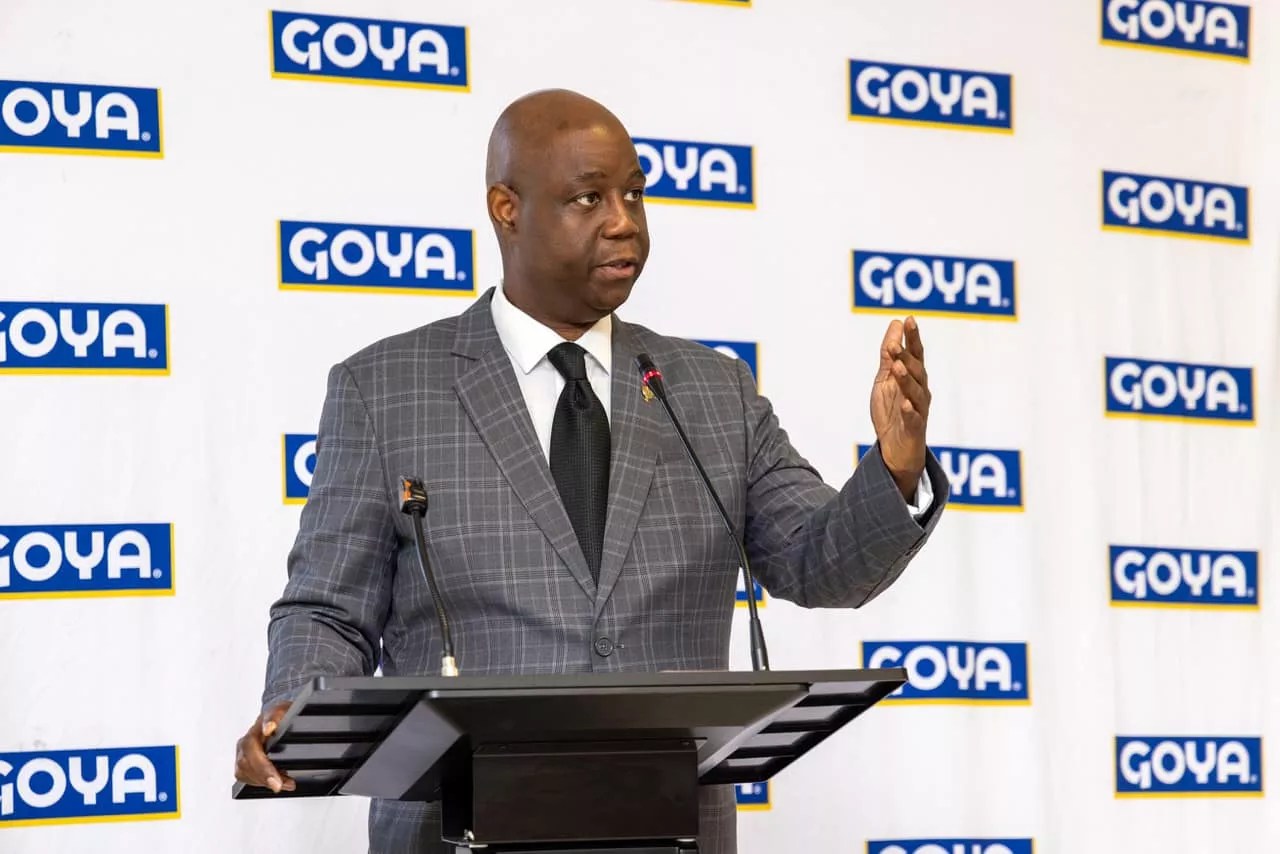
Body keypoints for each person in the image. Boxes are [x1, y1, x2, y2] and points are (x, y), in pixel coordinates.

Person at [234, 88, 949, 854]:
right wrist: (292, 707)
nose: (624, 221)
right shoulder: (385, 391)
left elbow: (819, 564)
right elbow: (329, 609)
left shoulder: (710, 391)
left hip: (668, 831)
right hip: (451, 833)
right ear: (507, 208)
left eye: (635, 194)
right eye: (589, 198)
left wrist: (897, 466)